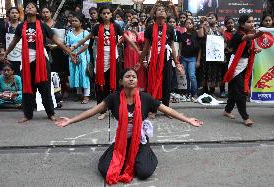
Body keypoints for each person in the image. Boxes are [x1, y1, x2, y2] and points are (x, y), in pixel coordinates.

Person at [55, 68, 203, 185]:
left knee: (144, 172)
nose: (131, 78)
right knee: (106, 170)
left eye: (134, 76)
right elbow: (91, 111)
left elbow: (168, 110)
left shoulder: (145, 97)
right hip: (121, 140)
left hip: (139, 140)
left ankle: (144, 154)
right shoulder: (113, 98)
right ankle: (125, 156)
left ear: (137, 80)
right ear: (121, 81)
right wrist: (70, 120)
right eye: (127, 76)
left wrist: (188, 119)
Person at [0, 1, 75, 123]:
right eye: (27, 6)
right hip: (26, 60)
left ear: (36, 11)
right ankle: (27, 114)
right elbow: (13, 42)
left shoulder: (43, 26)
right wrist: (6, 52)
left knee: (45, 88)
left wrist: (69, 52)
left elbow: (57, 41)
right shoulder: (21, 26)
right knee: (28, 89)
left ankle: (50, 113)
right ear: (25, 10)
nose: (29, 7)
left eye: (32, 6)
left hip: (41, 61)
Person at [72, 5, 140, 120]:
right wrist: (74, 48)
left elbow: (127, 39)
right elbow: (86, 39)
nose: (106, 15)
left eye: (108, 13)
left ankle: (115, 109)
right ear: (100, 15)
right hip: (101, 59)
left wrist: (138, 51)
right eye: (103, 13)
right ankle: (102, 110)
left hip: (114, 58)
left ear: (111, 14)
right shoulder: (97, 27)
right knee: (100, 85)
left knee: (113, 84)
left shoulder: (116, 26)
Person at [137, 5, 184, 119]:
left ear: (166, 15)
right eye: (159, 10)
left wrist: (176, 62)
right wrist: (140, 61)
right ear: (154, 14)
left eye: (163, 10)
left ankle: (166, 109)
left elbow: (172, 46)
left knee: (166, 84)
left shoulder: (170, 28)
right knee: (152, 83)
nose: (162, 11)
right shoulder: (149, 28)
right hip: (153, 59)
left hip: (166, 59)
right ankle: (152, 109)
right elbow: (146, 46)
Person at [223, 14, 264, 126]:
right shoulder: (239, 35)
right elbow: (246, 39)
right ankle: (245, 117)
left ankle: (227, 111)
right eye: (249, 22)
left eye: (252, 21)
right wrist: (257, 35)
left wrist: (255, 49)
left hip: (243, 65)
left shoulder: (247, 33)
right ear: (242, 24)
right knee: (240, 92)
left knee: (233, 91)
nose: (252, 24)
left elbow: (248, 47)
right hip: (235, 66)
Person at [66, 13, 91, 104]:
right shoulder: (69, 33)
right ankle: (79, 94)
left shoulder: (85, 32)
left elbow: (85, 46)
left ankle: (86, 96)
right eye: (72, 21)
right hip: (72, 56)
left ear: (81, 23)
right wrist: (71, 55)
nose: (73, 22)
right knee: (75, 74)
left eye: (76, 21)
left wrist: (76, 54)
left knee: (84, 75)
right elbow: (67, 45)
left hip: (83, 56)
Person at [198, 12, 223, 96]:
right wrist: (202, 23)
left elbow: (224, 40)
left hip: (216, 54)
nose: (210, 19)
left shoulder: (220, 29)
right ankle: (205, 89)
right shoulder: (204, 27)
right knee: (205, 71)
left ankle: (212, 90)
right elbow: (201, 35)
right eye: (209, 17)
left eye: (212, 17)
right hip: (206, 54)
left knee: (214, 71)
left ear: (216, 19)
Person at [179, 18, 201, 101]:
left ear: (193, 24)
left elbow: (199, 49)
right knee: (185, 76)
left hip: (192, 58)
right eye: (187, 23)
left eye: (190, 23)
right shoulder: (183, 35)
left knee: (192, 76)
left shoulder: (196, 34)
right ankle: (186, 93)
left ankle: (194, 93)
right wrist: (178, 56)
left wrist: (198, 60)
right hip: (184, 57)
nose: (188, 25)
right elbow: (180, 47)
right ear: (185, 25)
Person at [122, 17, 146, 91]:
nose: (134, 24)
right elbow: (122, 39)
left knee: (139, 69)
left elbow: (142, 41)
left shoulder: (141, 32)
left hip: (138, 53)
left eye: (136, 22)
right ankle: (128, 86)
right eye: (133, 23)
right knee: (129, 68)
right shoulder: (127, 32)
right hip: (128, 53)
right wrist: (126, 27)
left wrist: (136, 33)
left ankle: (139, 87)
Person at [1, 7, 21, 76]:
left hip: (21, 57)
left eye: (16, 13)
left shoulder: (23, 26)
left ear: (19, 15)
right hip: (9, 57)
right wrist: (3, 55)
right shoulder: (5, 26)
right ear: (9, 14)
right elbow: (2, 42)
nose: (14, 14)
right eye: (12, 13)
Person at [221, 17, 235, 98]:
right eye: (228, 23)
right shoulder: (223, 33)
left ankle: (230, 91)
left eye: (232, 23)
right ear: (226, 25)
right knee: (224, 74)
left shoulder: (236, 33)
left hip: (233, 56)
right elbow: (221, 44)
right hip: (225, 56)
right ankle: (222, 90)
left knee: (231, 74)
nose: (230, 24)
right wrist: (227, 49)